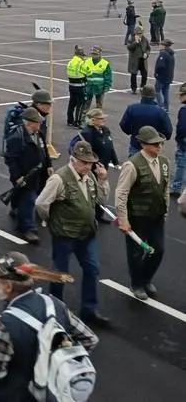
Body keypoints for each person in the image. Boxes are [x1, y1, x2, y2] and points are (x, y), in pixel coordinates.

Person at [0, 252, 98, 402]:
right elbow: (90, 339)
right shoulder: (54, 304)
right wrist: (54, 363)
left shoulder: (6, 324)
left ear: (9, 286)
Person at [35, 141, 112, 328]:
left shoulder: (90, 177)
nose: (88, 166)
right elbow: (41, 203)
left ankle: (89, 310)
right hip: (65, 235)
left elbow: (101, 200)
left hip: (87, 234)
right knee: (60, 273)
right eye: (84, 162)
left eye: (90, 163)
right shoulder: (59, 179)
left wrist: (102, 180)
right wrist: (51, 222)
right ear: (74, 160)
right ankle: (55, 310)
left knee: (92, 269)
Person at [114, 126, 170, 301]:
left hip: (156, 215)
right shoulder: (132, 165)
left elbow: (165, 188)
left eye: (160, 143)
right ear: (144, 145)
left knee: (158, 250)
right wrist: (123, 219)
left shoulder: (164, 162)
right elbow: (121, 193)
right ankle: (137, 284)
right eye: (155, 144)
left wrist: (165, 209)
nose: (159, 146)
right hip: (137, 217)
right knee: (136, 253)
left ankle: (146, 278)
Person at [3, 107, 52, 244]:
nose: (40, 124)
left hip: (37, 173)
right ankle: (28, 229)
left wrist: (49, 166)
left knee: (24, 197)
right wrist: (17, 176)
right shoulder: (16, 137)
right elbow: (11, 159)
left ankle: (16, 209)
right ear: (29, 123)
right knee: (30, 200)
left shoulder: (38, 134)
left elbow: (45, 151)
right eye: (37, 122)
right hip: (24, 175)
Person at [118, 85, 172, 156]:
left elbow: (123, 125)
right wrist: (159, 138)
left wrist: (132, 132)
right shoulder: (160, 112)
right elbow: (168, 131)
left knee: (134, 165)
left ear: (142, 95)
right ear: (154, 96)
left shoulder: (132, 108)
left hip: (136, 144)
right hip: (153, 146)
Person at [81, 46, 112, 111]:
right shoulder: (87, 62)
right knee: (86, 105)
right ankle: (83, 118)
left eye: (95, 54)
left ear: (99, 54)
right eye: (92, 54)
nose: (93, 56)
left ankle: (97, 119)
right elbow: (83, 74)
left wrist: (107, 86)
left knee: (99, 106)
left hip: (100, 87)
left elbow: (108, 76)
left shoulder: (105, 63)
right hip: (89, 87)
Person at [65, 45, 87, 127]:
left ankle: (69, 120)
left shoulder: (71, 62)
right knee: (80, 104)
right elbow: (87, 72)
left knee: (72, 103)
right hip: (80, 85)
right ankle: (77, 122)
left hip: (71, 85)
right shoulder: (81, 62)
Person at [127, 25, 151, 93]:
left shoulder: (145, 39)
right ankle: (133, 88)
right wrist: (136, 42)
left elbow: (148, 48)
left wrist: (147, 53)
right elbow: (129, 48)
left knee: (144, 74)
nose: (141, 34)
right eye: (139, 33)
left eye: (141, 33)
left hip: (143, 60)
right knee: (133, 74)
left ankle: (143, 87)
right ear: (135, 33)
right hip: (135, 60)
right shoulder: (131, 39)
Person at [153, 39, 175, 112]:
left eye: (160, 44)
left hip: (162, 77)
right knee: (166, 93)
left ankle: (161, 107)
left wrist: (156, 73)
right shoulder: (171, 54)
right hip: (168, 77)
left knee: (158, 91)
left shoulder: (163, 54)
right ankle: (166, 108)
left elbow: (160, 66)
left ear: (164, 46)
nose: (159, 46)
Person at [174, 83, 186, 198]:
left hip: (184, 142)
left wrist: (179, 139)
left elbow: (182, 128)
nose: (180, 97)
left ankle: (176, 188)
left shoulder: (184, 110)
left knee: (181, 165)